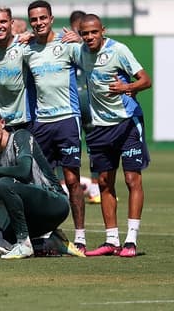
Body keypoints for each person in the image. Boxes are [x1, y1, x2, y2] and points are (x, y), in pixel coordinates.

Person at [0, 105, 84, 259]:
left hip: (55, 204)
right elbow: (0, 201)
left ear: (2, 122)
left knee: (5, 184)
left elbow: (23, 171)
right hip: (31, 216)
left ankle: (24, 244)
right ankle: (51, 242)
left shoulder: (21, 136)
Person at [77, 14, 152, 258]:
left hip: (127, 123)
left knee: (132, 180)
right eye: (85, 33)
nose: (89, 37)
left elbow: (145, 80)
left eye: (93, 32)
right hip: (99, 128)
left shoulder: (119, 50)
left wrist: (127, 88)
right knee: (105, 183)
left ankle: (131, 240)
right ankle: (111, 240)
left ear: (102, 31)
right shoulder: (79, 52)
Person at [23, 0, 87, 252]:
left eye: (42, 18)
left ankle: (80, 236)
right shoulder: (27, 50)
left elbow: (94, 58)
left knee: (72, 180)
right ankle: (49, 233)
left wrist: (80, 41)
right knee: (41, 183)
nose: (38, 23)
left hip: (67, 120)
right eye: (34, 19)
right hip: (42, 123)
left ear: (50, 18)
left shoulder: (68, 44)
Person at [0, 6, 34, 130]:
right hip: (2, 122)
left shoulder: (24, 44)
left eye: (3, 21)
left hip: (27, 119)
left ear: (11, 23)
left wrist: (33, 36)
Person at [69, 10, 102, 204]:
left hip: (91, 104)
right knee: (68, 147)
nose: (85, 35)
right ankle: (64, 186)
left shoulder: (92, 47)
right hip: (71, 103)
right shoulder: (65, 45)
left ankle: (96, 188)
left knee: (95, 145)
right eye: (81, 30)